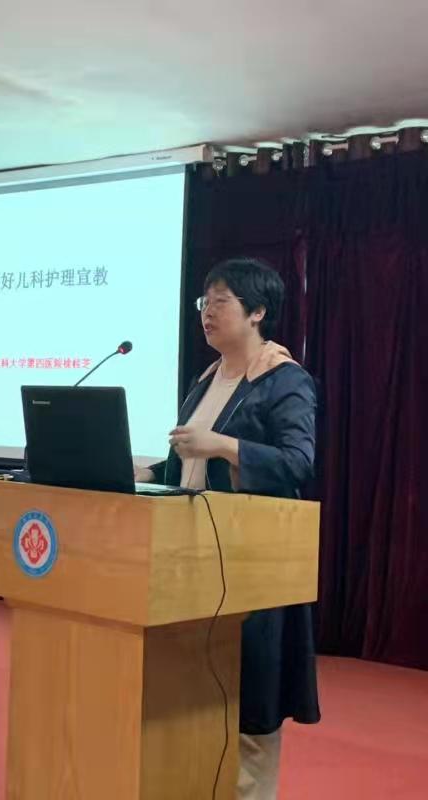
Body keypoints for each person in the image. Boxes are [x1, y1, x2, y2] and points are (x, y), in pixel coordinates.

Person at [135, 257, 320, 800]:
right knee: (198, 703)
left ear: (257, 311)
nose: (207, 312)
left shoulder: (284, 380)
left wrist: (223, 445)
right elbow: (190, 466)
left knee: (251, 707)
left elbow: (297, 462)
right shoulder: (206, 380)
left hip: (250, 567)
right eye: (204, 302)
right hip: (192, 563)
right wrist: (148, 472)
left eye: (221, 301)